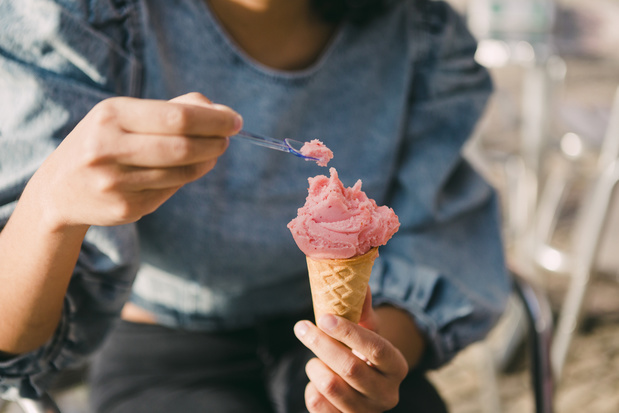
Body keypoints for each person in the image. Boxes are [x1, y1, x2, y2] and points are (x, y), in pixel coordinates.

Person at [0, 0, 511, 411]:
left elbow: (440, 240)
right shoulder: (78, 20)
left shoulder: (419, 32)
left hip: (361, 339)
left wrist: (361, 365)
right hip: (162, 347)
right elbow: (11, 341)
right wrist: (50, 205)